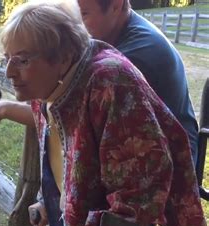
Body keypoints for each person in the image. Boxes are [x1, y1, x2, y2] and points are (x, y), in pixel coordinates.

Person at [0, 1, 208, 226]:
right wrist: (50, 202)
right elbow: (72, 161)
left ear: (62, 57)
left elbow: (136, 212)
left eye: (22, 60)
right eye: (7, 59)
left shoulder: (111, 84)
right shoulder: (46, 91)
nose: (9, 72)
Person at [78, 0, 199, 165]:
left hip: (173, 167)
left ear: (115, 5)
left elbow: (74, 108)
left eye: (83, 14)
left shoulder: (133, 57)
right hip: (144, 148)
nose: (76, 24)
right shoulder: (116, 34)